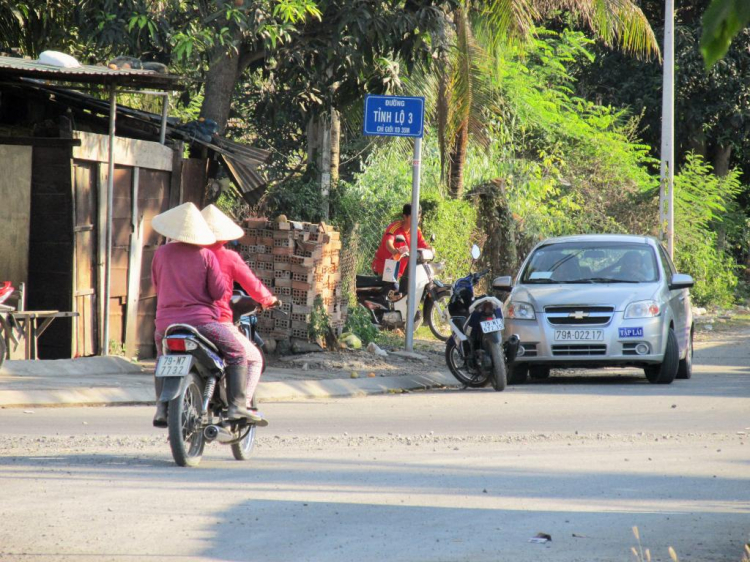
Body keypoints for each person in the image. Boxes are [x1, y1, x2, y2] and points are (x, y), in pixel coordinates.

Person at [150, 202, 255, 427]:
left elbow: (156, 285)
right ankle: (237, 406)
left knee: (162, 359)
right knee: (237, 353)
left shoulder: (161, 253)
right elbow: (218, 292)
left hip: (165, 326)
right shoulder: (206, 255)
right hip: (201, 324)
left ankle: (161, 408)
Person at [201, 204, 279, 427]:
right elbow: (252, 285)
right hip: (217, 321)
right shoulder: (227, 257)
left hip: (174, 322)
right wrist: (268, 299)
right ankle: (241, 406)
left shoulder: (185, 255)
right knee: (253, 358)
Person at [371, 203, 431, 292]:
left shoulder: (417, 231)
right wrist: (394, 251)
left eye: (418, 217)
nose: (417, 220)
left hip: (403, 272)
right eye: (413, 217)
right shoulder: (395, 227)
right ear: (405, 217)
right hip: (387, 267)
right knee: (394, 294)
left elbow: (424, 245)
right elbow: (388, 243)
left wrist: (431, 250)